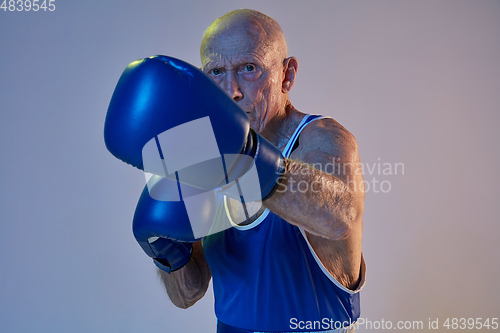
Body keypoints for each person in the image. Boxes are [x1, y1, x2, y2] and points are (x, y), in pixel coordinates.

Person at [153, 9, 366, 333]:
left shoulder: (322, 139)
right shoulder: (204, 158)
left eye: (248, 68)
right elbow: (187, 293)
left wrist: (238, 159)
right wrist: (164, 247)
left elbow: (339, 218)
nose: (232, 90)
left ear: (287, 75)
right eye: (216, 72)